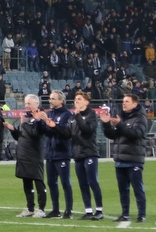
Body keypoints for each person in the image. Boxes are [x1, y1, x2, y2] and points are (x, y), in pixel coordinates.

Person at [100, 94, 149, 222]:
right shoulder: (122, 118)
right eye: (123, 101)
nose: (124, 103)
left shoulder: (141, 118)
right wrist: (106, 124)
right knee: (123, 190)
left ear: (135, 104)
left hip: (134, 160)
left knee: (138, 189)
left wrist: (120, 125)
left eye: (127, 101)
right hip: (120, 159)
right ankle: (125, 214)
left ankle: (141, 214)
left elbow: (135, 134)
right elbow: (113, 135)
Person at [6, 94, 48, 218]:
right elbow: (21, 137)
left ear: (36, 104)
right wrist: (13, 130)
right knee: (27, 182)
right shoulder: (27, 117)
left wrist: (24, 124)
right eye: (25, 103)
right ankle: (30, 208)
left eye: (29, 103)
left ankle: (41, 209)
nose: (26, 106)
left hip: (34, 155)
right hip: (23, 155)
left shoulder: (40, 117)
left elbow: (36, 134)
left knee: (38, 181)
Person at [38, 90, 74, 219]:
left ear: (61, 101)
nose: (50, 101)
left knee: (65, 183)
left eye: (53, 99)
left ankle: (68, 211)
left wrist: (53, 126)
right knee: (52, 183)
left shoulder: (67, 115)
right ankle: (55, 210)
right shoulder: (50, 114)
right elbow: (42, 132)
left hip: (62, 153)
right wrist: (39, 121)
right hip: (50, 154)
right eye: (50, 99)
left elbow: (66, 134)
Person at [70, 92, 104, 220]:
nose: (76, 101)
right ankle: (88, 210)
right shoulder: (72, 117)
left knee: (92, 181)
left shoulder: (92, 115)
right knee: (82, 183)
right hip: (78, 154)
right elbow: (68, 133)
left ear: (86, 102)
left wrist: (78, 116)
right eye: (75, 99)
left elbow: (87, 130)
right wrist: (53, 126)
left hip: (90, 153)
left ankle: (99, 210)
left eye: (79, 99)